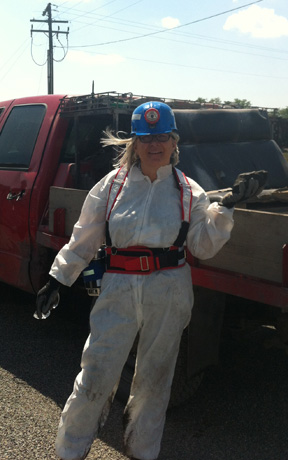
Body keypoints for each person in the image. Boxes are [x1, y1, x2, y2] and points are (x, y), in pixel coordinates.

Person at [35, 101, 267, 460]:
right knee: (96, 372)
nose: (154, 144)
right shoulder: (111, 188)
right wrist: (57, 279)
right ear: (134, 143)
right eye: (146, 137)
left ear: (174, 141)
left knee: (154, 382)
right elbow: (84, 237)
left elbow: (203, 247)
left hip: (169, 290)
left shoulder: (191, 192)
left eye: (161, 136)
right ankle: (70, 451)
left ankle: (142, 452)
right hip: (117, 289)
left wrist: (227, 208)